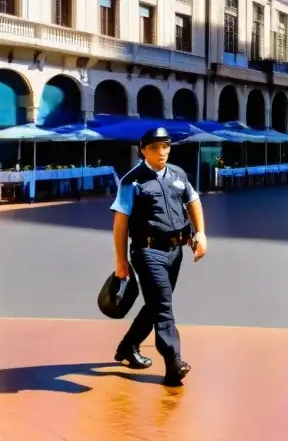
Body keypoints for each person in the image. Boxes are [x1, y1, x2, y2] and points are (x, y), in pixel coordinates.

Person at [111, 127, 208, 387]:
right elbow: (121, 222)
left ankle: (128, 347)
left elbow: (193, 201)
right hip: (147, 251)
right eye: (155, 147)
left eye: (165, 146)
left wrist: (200, 233)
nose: (162, 152)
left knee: (156, 303)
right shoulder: (132, 181)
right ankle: (174, 363)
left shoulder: (178, 174)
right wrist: (121, 260)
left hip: (175, 251)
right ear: (143, 150)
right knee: (164, 307)